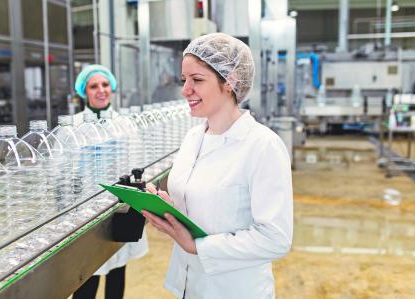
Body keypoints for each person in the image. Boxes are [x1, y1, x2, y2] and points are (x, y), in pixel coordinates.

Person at [142, 33, 293, 299]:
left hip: (234, 290)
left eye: (197, 80)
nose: (185, 90)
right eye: (184, 80)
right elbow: (207, 205)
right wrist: (170, 208)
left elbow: (275, 239)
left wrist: (199, 247)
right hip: (189, 284)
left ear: (230, 81)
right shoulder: (193, 138)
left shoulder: (262, 145)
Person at [72, 64, 149, 299]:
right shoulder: (73, 127)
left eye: (105, 85)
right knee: (86, 274)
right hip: (86, 211)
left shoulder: (124, 124)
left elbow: (139, 162)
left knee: (117, 269)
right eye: (94, 86)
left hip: (119, 206)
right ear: (84, 91)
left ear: (112, 88)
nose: (101, 90)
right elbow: (62, 173)